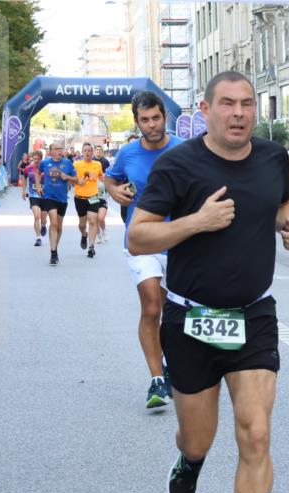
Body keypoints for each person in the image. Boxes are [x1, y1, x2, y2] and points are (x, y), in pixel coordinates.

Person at [128, 71, 289, 493]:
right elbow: (138, 237)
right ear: (205, 110)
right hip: (191, 320)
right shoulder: (178, 165)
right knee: (198, 437)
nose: (239, 113)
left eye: (247, 103)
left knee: (256, 433)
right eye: (227, 103)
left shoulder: (273, 157)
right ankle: (190, 460)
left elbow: (283, 204)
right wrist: (197, 222)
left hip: (253, 316)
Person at [104, 91, 183, 410]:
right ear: (137, 122)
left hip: (179, 241)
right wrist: (114, 192)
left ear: (165, 117)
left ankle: (169, 362)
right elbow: (110, 179)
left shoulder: (185, 149)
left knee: (173, 313)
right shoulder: (128, 153)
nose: (152, 125)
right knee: (151, 307)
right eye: (145, 120)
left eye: (156, 118)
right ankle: (157, 379)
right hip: (141, 241)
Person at [36, 142, 78, 265]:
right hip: (49, 197)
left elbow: (76, 179)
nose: (60, 151)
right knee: (53, 223)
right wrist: (38, 186)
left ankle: (55, 248)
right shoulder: (44, 163)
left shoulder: (68, 163)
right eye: (57, 149)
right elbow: (38, 173)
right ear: (51, 151)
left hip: (62, 198)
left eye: (61, 148)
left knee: (59, 226)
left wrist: (68, 177)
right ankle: (53, 253)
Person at [72, 142, 105, 258]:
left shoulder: (97, 164)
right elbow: (71, 178)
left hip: (93, 196)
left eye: (89, 150)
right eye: (85, 150)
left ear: (92, 152)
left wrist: (108, 182)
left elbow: (101, 176)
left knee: (93, 220)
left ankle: (91, 247)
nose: (87, 152)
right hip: (80, 197)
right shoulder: (76, 164)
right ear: (82, 152)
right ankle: (84, 234)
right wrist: (77, 181)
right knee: (82, 224)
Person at [21, 150, 47, 246]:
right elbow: (24, 178)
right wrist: (23, 191)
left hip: (44, 196)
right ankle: (38, 238)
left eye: (38, 159)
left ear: (41, 159)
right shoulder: (28, 168)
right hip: (33, 195)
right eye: (34, 159)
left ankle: (43, 225)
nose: (36, 161)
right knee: (36, 216)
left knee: (43, 219)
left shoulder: (45, 168)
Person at [93, 145, 111, 243]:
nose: (98, 151)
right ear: (94, 151)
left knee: (101, 218)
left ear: (102, 152)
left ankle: (104, 231)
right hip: (92, 193)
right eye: (97, 150)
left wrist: (109, 188)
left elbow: (109, 175)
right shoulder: (91, 161)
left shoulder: (105, 161)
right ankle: (98, 235)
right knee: (94, 217)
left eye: (100, 150)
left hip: (103, 192)